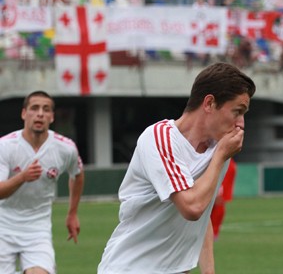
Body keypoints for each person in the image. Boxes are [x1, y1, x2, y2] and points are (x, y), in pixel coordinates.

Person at [98, 62, 255, 273]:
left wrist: (209, 271)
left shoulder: (219, 148)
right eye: (237, 111)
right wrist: (219, 157)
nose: (241, 124)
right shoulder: (159, 138)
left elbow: (204, 210)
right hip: (131, 267)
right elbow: (192, 208)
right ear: (209, 103)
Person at [0, 90, 85, 274]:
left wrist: (72, 213)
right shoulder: (5, 146)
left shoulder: (65, 148)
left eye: (46, 109)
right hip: (3, 225)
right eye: (34, 108)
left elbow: (77, 174)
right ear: (24, 113)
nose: (40, 113)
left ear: (52, 117)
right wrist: (22, 177)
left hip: (37, 229)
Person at [211, 158, 236, 240]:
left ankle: (214, 233)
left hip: (222, 161)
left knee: (218, 203)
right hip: (217, 161)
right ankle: (212, 233)